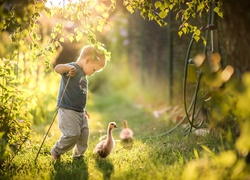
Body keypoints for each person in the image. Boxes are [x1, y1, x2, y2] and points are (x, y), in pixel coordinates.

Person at [50, 45, 107, 161]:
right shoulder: (72, 68)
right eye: (94, 69)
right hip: (68, 110)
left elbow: (79, 93)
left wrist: (83, 108)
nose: (93, 73)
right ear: (87, 60)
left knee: (84, 134)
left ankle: (78, 155)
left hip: (80, 111)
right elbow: (57, 68)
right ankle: (56, 150)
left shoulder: (83, 75)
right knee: (73, 134)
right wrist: (68, 68)